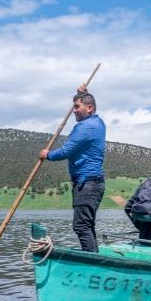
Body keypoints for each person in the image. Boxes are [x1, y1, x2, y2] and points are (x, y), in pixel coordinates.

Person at [38, 89, 104, 252]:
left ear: (89, 108)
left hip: (87, 183)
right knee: (87, 225)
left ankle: (91, 261)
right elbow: (89, 101)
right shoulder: (98, 123)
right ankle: (93, 256)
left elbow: (66, 151)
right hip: (93, 183)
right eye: (74, 107)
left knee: (81, 225)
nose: (74, 110)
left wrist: (48, 155)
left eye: (77, 106)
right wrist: (84, 93)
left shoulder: (85, 127)